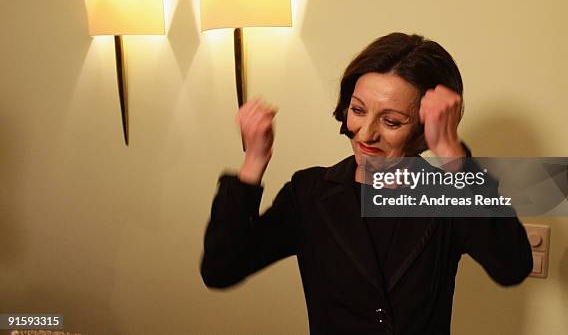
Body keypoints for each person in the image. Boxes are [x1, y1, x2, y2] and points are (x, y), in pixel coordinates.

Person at [200, 32, 533, 334]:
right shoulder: (311, 193)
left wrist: (452, 154)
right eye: (358, 110)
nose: (367, 133)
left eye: (391, 121)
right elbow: (221, 268)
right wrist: (254, 161)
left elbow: (512, 266)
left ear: (423, 128)